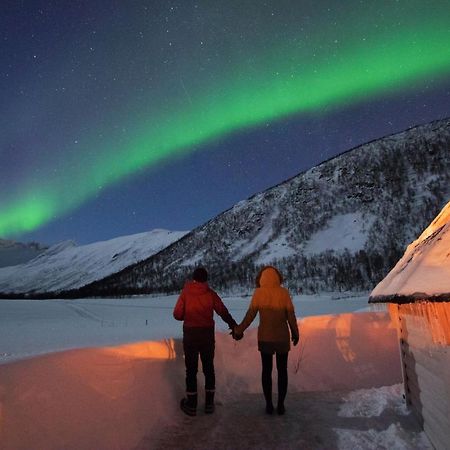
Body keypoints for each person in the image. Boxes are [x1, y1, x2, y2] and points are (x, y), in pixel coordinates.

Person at [234, 266, 299, 415]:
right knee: (282, 371)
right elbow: (291, 316)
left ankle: (269, 404)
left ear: (261, 278)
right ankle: (281, 405)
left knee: (266, 371)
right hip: (282, 338)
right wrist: (296, 333)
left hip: (265, 338)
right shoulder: (284, 293)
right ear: (278, 277)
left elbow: (250, 315)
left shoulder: (259, 293)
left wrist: (239, 330)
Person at [173, 267, 238, 416]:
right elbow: (223, 311)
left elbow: (177, 314)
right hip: (207, 335)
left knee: (191, 370)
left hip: (190, 335)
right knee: (208, 368)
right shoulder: (210, 294)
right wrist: (233, 325)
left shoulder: (186, 293)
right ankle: (209, 404)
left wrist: (187, 316)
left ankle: (192, 405)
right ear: (206, 279)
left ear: (194, 278)